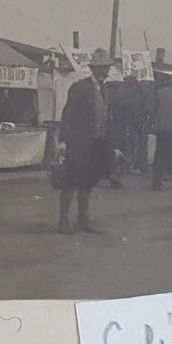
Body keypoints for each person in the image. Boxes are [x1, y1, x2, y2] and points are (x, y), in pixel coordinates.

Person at [55, 49, 123, 234]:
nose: (103, 72)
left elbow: (109, 119)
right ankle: (63, 221)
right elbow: (68, 115)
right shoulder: (80, 88)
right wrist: (63, 142)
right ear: (92, 69)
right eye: (99, 68)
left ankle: (82, 220)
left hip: (97, 144)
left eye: (106, 68)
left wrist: (113, 145)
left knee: (88, 182)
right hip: (78, 144)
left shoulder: (106, 90)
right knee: (71, 182)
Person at [105, 74, 141, 188]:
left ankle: (115, 178)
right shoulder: (134, 96)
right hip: (128, 129)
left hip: (115, 128)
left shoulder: (116, 95)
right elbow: (135, 114)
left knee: (117, 154)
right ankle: (116, 174)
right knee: (130, 154)